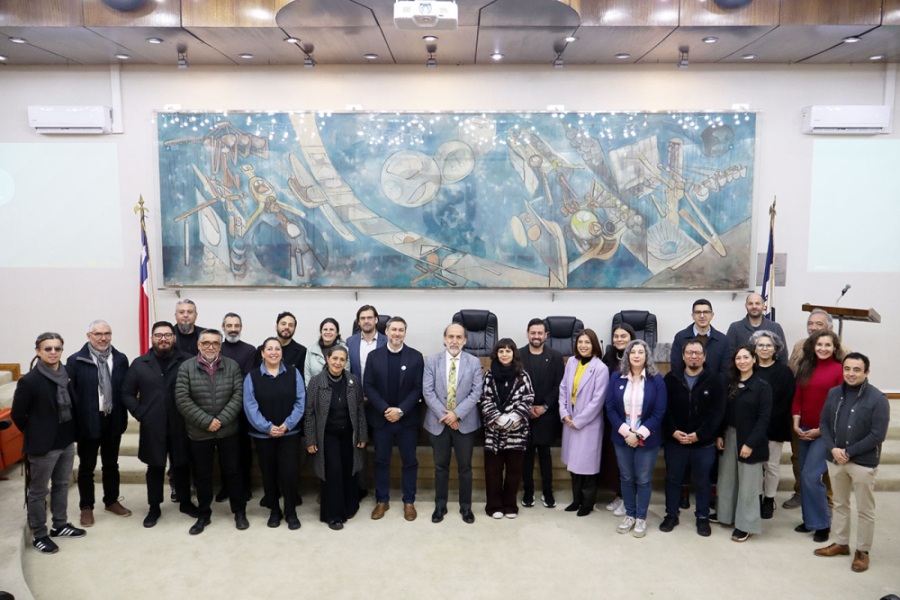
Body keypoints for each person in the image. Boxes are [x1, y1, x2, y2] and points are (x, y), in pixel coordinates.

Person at [815, 353, 891, 573]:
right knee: (839, 504)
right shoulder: (833, 393)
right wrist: (832, 448)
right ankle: (841, 543)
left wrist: (848, 452)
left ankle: (862, 551)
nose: (851, 373)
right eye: (847, 368)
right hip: (835, 459)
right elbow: (824, 424)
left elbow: (878, 434)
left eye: (856, 369)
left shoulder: (878, 398)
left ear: (866, 372)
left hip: (863, 463)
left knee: (865, 509)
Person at [11, 333, 85, 554]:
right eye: (48, 348)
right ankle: (39, 534)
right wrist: (36, 432)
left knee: (62, 485)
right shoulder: (29, 380)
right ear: (38, 351)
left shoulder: (67, 373)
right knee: (38, 491)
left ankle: (59, 524)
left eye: (57, 348)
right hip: (43, 445)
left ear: (62, 351)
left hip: (66, 440)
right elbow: (17, 415)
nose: (53, 352)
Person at [121, 321, 200, 528]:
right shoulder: (140, 363)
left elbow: (197, 389)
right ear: (152, 338)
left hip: (181, 423)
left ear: (174, 338)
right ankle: (154, 507)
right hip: (153, 426)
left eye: (167, 335)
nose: (163, 339)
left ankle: (185, 503)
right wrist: (141, 414)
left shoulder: (187, 360)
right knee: (155, 467)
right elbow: (127, 393)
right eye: (158, 335)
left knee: (182, 465)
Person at [175, 329, 248, 534]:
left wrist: (222, 420)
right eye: (206, 343)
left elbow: (238, 395)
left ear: (220, 346)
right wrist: (207, 421)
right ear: (199, 345)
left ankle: (239, 512)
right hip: (199, 433)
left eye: (215, 343)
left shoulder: (232, 366)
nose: (210, 347)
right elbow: (182, 399)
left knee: (234, 472)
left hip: (228, 431)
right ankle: (204, 514)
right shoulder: (186, 367)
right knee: (202, 476)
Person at [66, 320, 131, 527]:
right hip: (88, 422)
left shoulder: (120, 359)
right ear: (89, 336)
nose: (103, 338)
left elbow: (125, 390)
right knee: (87, 467)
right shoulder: (75, 361)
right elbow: (71, 396)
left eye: (107, 334)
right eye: (98, 334)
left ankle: (111, 501)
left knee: (111, 464)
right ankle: (86, 507)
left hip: (113, 420)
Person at [784, 309, 849, 510]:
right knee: (798, 457)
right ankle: (800, 492)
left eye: (818, 324)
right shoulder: (799, 346)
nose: (813, 327)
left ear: (830, 328)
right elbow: (792, 378)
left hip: (827, 423)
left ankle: (826, 498)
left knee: (822, 464)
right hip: (800, 413)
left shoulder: (843, 352)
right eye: (810, 323)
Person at [661, 339, 725, 536]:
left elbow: (717, 413)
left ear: (704, 356)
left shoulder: (715, 380)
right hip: (675, 441)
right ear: (683, 355)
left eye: (698, 353)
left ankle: (703, 517)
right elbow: (664, 410)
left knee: (703, 482)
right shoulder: (670, 379)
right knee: (673, 479)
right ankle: (671, 514)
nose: (694, 356)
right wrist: (673, 431)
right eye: (690, 352)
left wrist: (699, 435)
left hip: (703, 443)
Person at [363, 316, 424, 521]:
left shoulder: (415, 357)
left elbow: (418, 388)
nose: (397, 333)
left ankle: (409, 501)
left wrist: (401, 411)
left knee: (409, 461)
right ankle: (382, 501)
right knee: (381, 461)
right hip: (382, 420)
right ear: (386, 332)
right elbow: (368, 386)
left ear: (405, 333)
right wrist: (386, 410)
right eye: (393, 330)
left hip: (407, 420)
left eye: (401, 330)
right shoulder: (374, 356)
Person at [606, 339, 666, 538]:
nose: (637, 355)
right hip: (622, 436)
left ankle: (641, 517)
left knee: (642, 479)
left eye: (641, 352)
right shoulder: (617, 377)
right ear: (627, 356)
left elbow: (659, 412)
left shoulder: (656, 380)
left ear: (647, 356)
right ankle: (629, 515)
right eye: (633, 352)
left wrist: (638, 434)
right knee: (626, 478)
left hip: (646, 438)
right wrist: (626, 432)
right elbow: (611, 409)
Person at [423, 323, 483, 524]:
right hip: (438, 423)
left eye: (459, 337)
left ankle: (466, 507)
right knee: (441, 467)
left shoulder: (474, 363)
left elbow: (476, 392)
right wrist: (447, 417)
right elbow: (428, 392)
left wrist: (456, 415)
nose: (454, 341)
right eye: (451, 337)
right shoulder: (432, 361)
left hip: (464, 423)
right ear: (444, 339)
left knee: (465, 468)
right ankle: (440, 506)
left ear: (465, 340)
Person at [244, 337, 306, 530]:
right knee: (268, 473)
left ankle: (290, 512)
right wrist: (268, 427)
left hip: (290, 433)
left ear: (281, 352)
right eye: (269, 349)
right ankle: (274, 511)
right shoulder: (252, 377)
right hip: (263, 436)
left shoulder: (294, 373)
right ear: (262, 353)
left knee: (290, 473)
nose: (273, 352)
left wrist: (286, 425)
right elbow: (250, 406)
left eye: (277, 349)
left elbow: (300, 402)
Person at [306, 345, 369, 530]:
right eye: (335, 358)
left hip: (349, 434)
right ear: (327, 359)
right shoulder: (316, 382)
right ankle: (333, 515)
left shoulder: (353, 381)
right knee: (333, 472)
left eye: (342, 359)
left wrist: (362, 434)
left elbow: (359, 410)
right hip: (327, 435)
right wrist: (310, 439)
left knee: (349, 470)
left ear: (346, 362)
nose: (338, 363)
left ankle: (349, 507)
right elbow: (309, 413)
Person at [714, 345, 772, 542]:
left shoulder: (762, 386)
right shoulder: (730, 383)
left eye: (746, 357)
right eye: (739, 358)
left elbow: (764, 420)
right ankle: (726, 515)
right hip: (729, 436)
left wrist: (749, 444)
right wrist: (720, 434)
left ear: (754, 360)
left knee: (748, 484)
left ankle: (745, 524)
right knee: (727, 479)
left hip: (750, 440)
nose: (742, 361)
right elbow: (723, 411)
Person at [792, 329, 844, 543]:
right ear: (813, 346)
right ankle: (810, 520)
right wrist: (796, 425)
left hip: (827, 433)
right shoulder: (806, 367)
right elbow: (798, 399)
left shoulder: (839, 370)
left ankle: (823, 524)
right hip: (804, 429)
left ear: (834, 348)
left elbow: (840, 407)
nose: (823, 348)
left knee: (811, 476)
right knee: (804, 475)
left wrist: (821, 430)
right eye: (819, 344)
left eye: (828, 345)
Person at [479, 339, 534, 519]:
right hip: (494, 432)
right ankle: (494, 506)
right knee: (493, 472)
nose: (504, 354)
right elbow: (485, 399)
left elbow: (528, 398)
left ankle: (510, 505)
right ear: (496, 354)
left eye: (508, 351)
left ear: (513, 354)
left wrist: (512, 418)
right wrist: (499, 418)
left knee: (514, 472)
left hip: (516, 432)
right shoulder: (488, 375)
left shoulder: (523, 375)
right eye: (501, 351)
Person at [557, 329, 608, 517]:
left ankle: (587, 503)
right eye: (580, 342)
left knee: (587, 467)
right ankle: (576, 500)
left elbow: (598, 400)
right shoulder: (571, 362)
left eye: (587, 342)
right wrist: (564, 414)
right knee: (573, 464)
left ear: (594, 345)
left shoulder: (600, 368)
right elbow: (563, 389)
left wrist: (578, 421)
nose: (583, 346)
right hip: (569, 420)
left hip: (588, 424)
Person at [749, 330, 795, 519]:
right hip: (751, 427)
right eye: (761, 345)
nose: (765, 349)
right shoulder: (748, 368)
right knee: (754, 466)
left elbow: (786, 401)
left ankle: (769, 499)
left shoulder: (784, 371)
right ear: (754, 348)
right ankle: (756, 496)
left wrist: (765, 422)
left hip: (775, 425)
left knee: (771, 466)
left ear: (775, 349)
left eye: (769, 345)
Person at [519, 318, 564, 509]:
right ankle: (528, 492)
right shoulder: (518, 355)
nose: (536, 336)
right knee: (526, 455)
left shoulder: (555, 356)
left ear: (545, 335)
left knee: (545, 455)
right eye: (533, 333)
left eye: (540, 333)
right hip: (524, 414)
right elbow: (516, 384)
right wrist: (526, 407)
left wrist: (545, 406)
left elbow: (559, 385)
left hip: (547, 414)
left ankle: (548, 491)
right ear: (528, 334)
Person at [215, 312, 255, 504]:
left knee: (243, 451)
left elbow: (246, 378)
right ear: (223, 327)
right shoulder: (216, 349)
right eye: (229, 325)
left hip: (240, 410)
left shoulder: (250, 350)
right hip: (217, 409)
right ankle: (226, 486)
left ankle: (245, 486)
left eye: (236, 325)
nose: (233, 329)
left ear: (241, 327)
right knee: (223, 451)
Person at [346, 305, 385, 500]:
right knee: (357, 448)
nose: (367, 321)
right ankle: (360, 488)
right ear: (358, 322)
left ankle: (381, 490)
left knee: (380, 448)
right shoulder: (350, 342)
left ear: (377, 320)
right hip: (355, 403)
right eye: (363, 318)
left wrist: (375, 396)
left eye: (370, 317)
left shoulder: (387, 341)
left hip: (379, 404)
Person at [600, 323, 635, 516]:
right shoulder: (609, 357)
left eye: (623, 336)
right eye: (616, 336)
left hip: (631, 419)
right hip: (611, 416)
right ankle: (619, 495)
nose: (619, 339)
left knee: (628, 461)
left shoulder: (638, 357)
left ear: (631, 337)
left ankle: (628, 498)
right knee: (615, 459)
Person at [670, 299, 731, 379]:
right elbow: (676, 368)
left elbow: (725, 371)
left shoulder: (723, 340)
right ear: (692, 316)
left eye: (706, 312)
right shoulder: (680, 337)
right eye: (698, 312)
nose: (702, 316)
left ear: (712, 315)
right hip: (687, 388)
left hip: (715, 389)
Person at [725, 293, 787, 364]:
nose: (754, 306)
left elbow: (783, 356)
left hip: (770, 373)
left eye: (757, 303)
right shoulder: (735, 328)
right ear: (746, 306)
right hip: (742, 373)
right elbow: (729, 356)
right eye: (750, 304)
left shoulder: (775, 328)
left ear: (763, 306)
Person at [304, 318, 348, 383]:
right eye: (325, 329)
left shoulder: (345, 350)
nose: (328, 332)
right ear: (321, 332)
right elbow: (307, 376)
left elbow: (346, 373)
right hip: (315, 390)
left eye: (331, 329)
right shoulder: (311, 350)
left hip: (339, 390)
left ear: (337, 333)